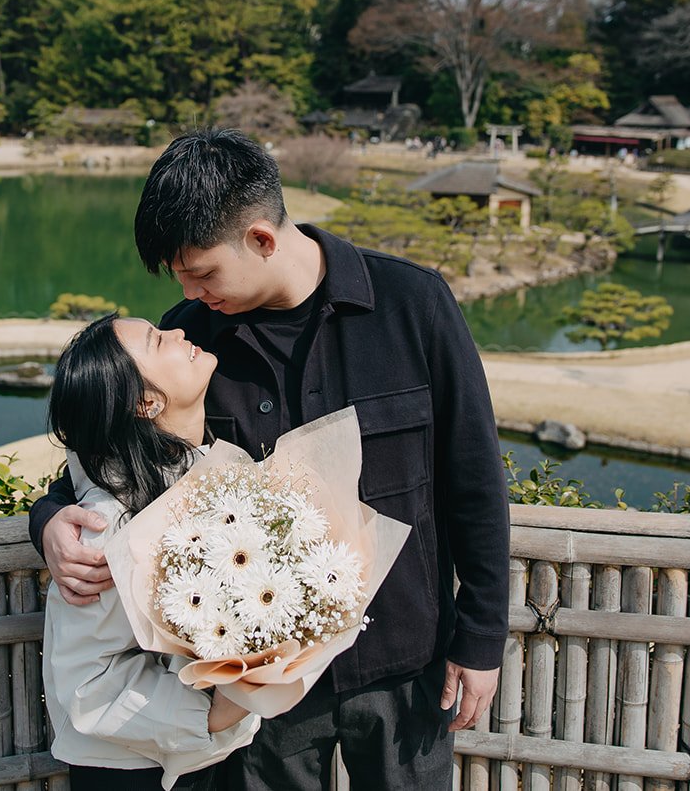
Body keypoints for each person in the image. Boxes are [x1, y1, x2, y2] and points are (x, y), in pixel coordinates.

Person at [31, 127, 510, 790]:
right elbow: (109, 459)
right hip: (265, 697)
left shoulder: (414, 304)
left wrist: (482, 638)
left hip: (407, 663)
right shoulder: (193, 340)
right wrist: (49, 521)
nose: (192, 292)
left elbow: (476, 479)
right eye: (180, 277)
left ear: (259, 238)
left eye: (202, 272)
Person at [43, 313, 260, 791]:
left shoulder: (217, 475)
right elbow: (87, 682)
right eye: (158, 341)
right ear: (145, 402)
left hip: (206, 759)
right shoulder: (106, 526)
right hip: (131, 773)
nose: (181, 333)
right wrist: (212, 714)